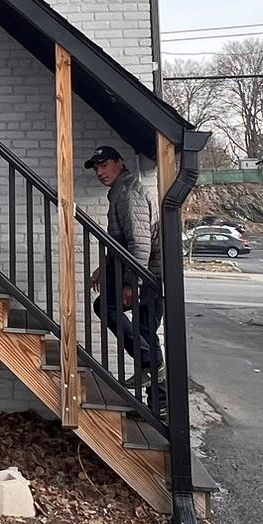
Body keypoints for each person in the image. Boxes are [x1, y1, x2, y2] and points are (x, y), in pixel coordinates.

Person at [83, 145, 166, 408]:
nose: (100, 172)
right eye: (97, 167)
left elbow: (139, 243)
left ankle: (150, 365)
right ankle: (159, 402)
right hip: (148, 274)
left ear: (120, 163)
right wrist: (103, 267)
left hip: (148, 274)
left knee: (105, 306)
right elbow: (121, 243)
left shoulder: (128, 193)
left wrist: (133, 284)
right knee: (144, 332)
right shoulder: (121, 192)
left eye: (104, 165)